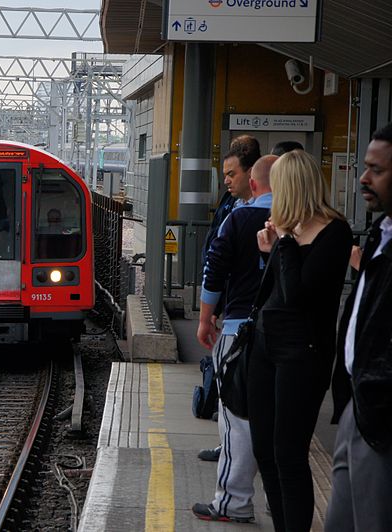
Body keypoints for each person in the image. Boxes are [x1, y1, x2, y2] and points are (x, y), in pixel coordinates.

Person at [247, 150, 351, 531]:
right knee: (265, 452)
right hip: (264, 348)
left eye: (278, 187)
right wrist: (269, 251)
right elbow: (273, 291)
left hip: (301, 355)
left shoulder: (334, 232)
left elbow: (298, 295)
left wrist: (284, 243)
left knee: (288, 454)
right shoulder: (286, 230)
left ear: (292, 188)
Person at [191, 152, 275, 523]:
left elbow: (214, 269)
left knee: (236, 416)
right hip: (287, 337)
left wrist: (205, 319)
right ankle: (280, 497)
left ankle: (233, 502)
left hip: (239, 329)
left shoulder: (239, 217)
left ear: (254, 183)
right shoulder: (307, 222)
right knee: (276, 417)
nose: (227, 180)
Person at [325, 123, 392, 531]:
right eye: (364, 167)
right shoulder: (380, 235)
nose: (364, 179)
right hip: (358, 402)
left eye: (377, 170)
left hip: (381, 415)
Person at [197, 135, 261, 463]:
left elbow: (217, 262)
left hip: (245, 319)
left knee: (237, 398)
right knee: (237, 398)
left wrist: (205, 315)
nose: (226, 180)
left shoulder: (249, 215)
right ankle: (232, 449)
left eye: (231, 174)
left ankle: (234, 486)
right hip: (235, 310)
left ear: (251, 175)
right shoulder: (231, 204)